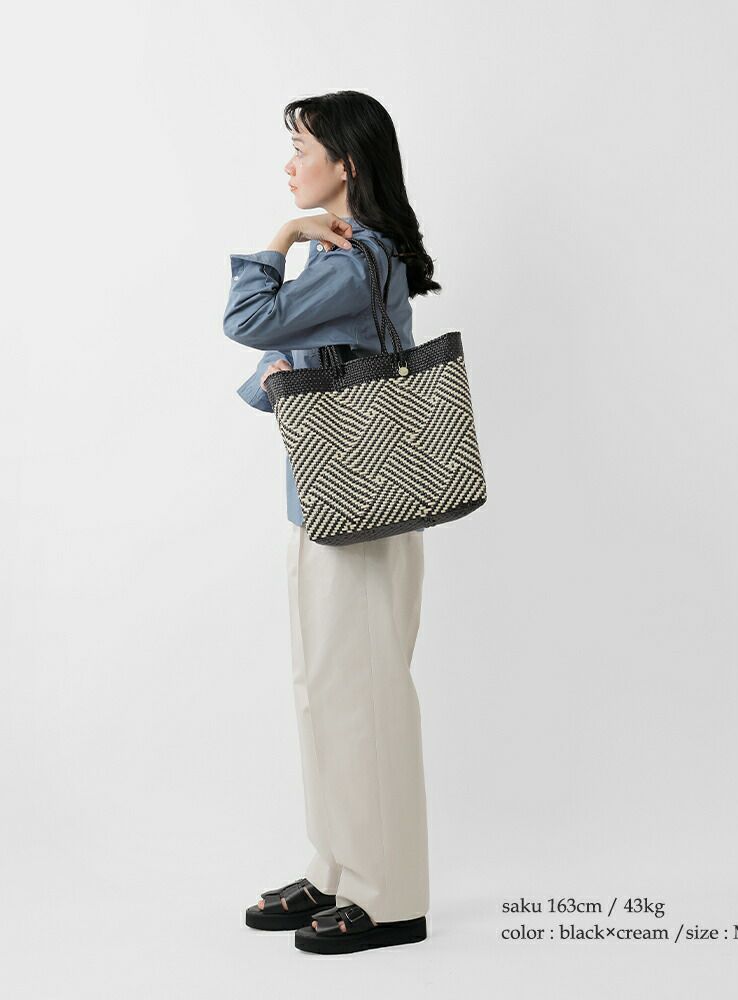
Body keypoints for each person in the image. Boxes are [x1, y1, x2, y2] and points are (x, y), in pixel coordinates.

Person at [222, 91, 442, 955]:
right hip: (326, 504)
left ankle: (389, 899)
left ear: (345, 164)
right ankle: (338, 869)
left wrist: (282, 236)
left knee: (365, 701)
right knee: (324, 693)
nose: (290, 165)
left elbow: (249, 324)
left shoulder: (356, 260)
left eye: (301, 149)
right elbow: (278, 363)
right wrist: (281, 371)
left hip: (364, 513)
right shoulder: (345, 259)